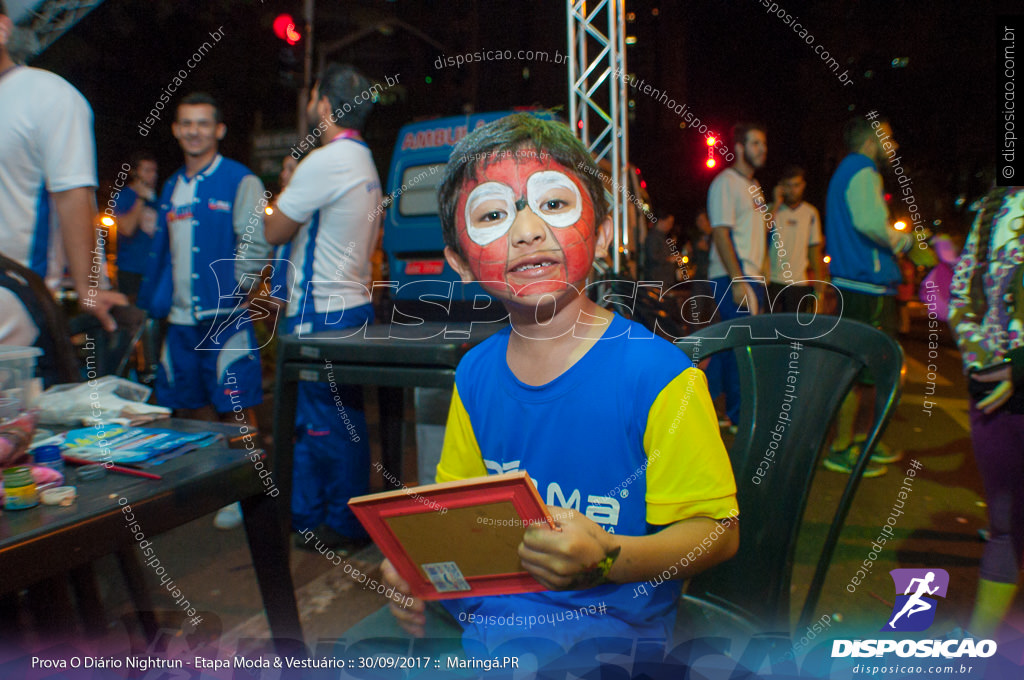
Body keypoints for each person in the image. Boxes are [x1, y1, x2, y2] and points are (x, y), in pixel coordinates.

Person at [378, 114, 739, 661]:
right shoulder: (474, 374)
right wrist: (416, 562)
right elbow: (457, 513)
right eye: (494, 214)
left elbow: (718, 533)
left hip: (611, 633)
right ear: (459, 262)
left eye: (553, 204)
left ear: (603, 234)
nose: (526, 231)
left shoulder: (659, 377)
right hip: (497, 622)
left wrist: (609, 555)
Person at [138, 92, 272, 529]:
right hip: (179, 322)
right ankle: (212, 482)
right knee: (191, 406)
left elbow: (254, 243)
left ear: (219, 130)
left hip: (225, 318)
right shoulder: (172, 186)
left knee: (236, 404)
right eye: (186, 123)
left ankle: (249, 485)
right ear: (176, 130)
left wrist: (238, 290)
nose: (194, 131)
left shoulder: (240, 180)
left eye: (203, 123)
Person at [264, 64, 382, 553]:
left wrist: (284, 193)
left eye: (314, 96)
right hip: (351, 304)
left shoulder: (326, 160)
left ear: (325, 106)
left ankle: (338, 524)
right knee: (336, 419)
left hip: (320, 311)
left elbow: (275, 231)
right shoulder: (362, 160)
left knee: (321, 424)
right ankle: (316, 517)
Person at [0, 0, 126, 336]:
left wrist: (90, 288)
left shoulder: (49, 96)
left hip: (17, 297)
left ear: (3, 29)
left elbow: (74, 195)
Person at [949, 185, 1024, 638]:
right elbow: (962, 294)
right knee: (1005, 529)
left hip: (1006, 385)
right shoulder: (996, 205)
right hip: (996, 400)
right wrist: (981, 360)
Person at [823, 116, 914, 476]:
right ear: (871, 142)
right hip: (866, 287)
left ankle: (856, 443)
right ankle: (845, 446)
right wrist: (904, 242)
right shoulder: (862, 170)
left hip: (854, 284)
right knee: (864, 370)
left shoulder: (846, 171)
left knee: (861, 370)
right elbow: (870, 223)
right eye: (888, 139)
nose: (893, 147)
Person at [705, 122, 769, 431]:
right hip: (732, 277)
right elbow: (720, 232)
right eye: (756, 143)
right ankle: (741, 417)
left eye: (764, 144)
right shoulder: (725, 183)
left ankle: (703, 401)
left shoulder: (755, 189)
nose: (762, 150)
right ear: (740, 148)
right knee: (743, 349)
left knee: (734, 348)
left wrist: (762, 277)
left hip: (753, 278)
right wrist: (738, 279)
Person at [767, 166, 824, 313]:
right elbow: (760, 235)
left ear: (803, 185)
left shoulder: (810, 213)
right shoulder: (771, 210)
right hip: (771, 280)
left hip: (798, 282)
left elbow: (814, 249)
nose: (793, 190)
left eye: (796, 185)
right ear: (781, 187)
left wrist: (819, 278)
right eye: (788, 186)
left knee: (794, 331)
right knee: (768, 330)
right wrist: (776, 204)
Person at [113, 152, 159, 302]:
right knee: (132, 315)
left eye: (154, 171)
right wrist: (140, 199)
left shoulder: (158, 199)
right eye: (146, 170)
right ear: (135, 173)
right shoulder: (124, 196)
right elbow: (126, 229)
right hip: (131, 269)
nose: (152, 175)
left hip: (153, 268)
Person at [643, 212, 677, 291]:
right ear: (661, 221)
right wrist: (669, 259)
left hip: (663, 280)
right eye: (669, 222)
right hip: (656, 279)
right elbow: (653, 256)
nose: (670, 226)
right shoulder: (653, 236)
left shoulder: (662, 237)